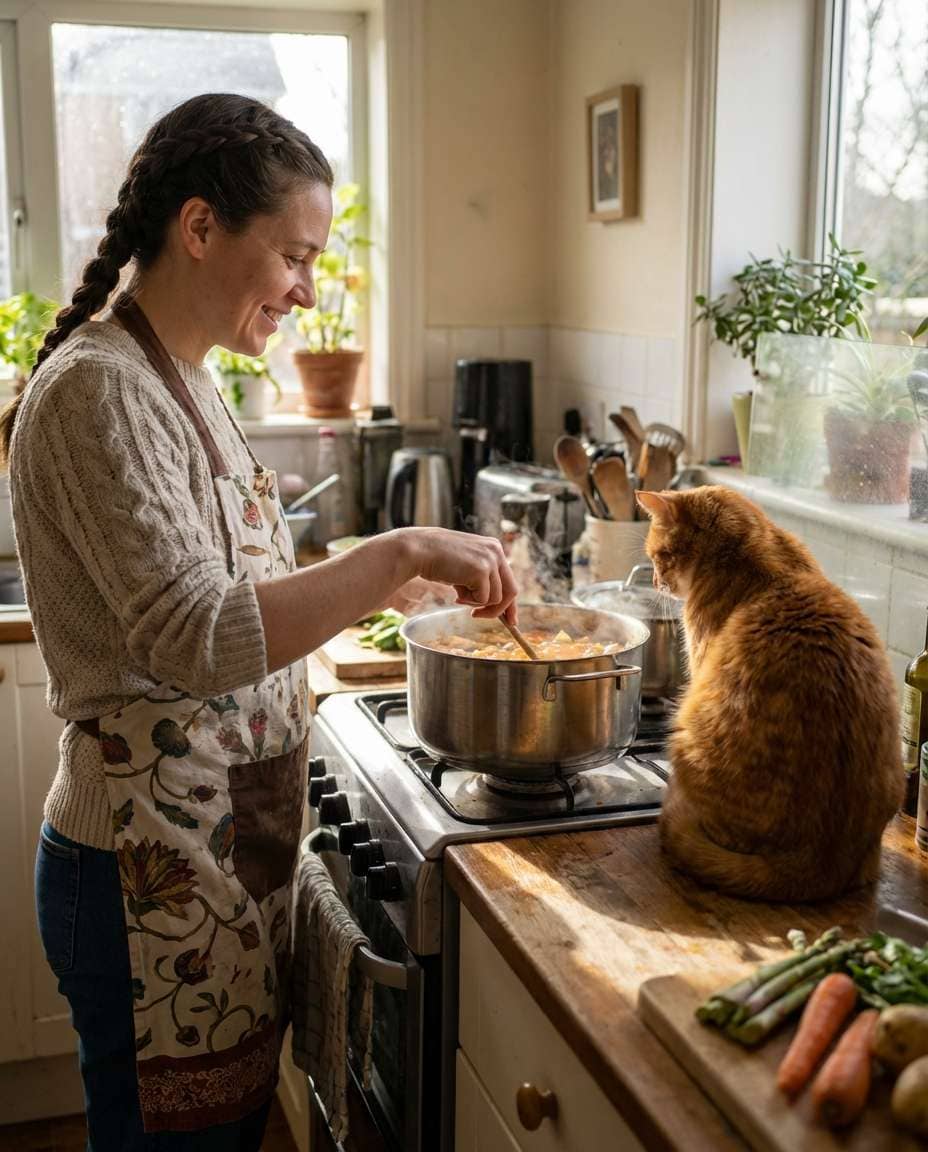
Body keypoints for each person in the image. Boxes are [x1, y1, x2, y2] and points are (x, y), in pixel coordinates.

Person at [0, 92, 517, 1150]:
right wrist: (395, 552)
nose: (306, 288)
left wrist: (384, 592)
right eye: (294, 255)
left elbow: (229, 597)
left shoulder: (184, 378)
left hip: (213, 856)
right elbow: (194, 634)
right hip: (141, 874)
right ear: (199, 228)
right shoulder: (100, 391)